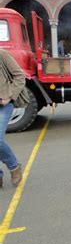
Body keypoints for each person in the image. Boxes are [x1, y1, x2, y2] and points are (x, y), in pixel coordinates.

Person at [0, 50, 24, 188]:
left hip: (3, 105)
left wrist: (9, 96)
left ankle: (14, 166)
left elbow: (20, 76)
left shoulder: (3, 55)